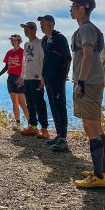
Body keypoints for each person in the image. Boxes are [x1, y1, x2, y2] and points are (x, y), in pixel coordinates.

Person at [69, 0, 105, 188]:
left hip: (89, 82)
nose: (71, 9)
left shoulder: (86, 29)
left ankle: (99, 177)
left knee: (90, 126)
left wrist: (81, 82)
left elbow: (87, 56)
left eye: (74, 6)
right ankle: (102, 170)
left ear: (83, 9)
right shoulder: (89, 29)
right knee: (96, 125)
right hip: (93, 81)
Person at [38, 14, 72, 152]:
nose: (41, 26)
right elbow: (45, 59)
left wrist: (64, 74)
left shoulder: (60, 38)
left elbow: (67, 57)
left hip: (58, 78)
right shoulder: (45, 39)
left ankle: (63, 138)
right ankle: (58, 134)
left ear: (51, 24)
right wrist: (42, 75)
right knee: (53, 106)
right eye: (40, 24)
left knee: (60, 107)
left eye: (43, 23)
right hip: (48, 77)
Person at [18, 22, 50, 139]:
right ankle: (33, 126)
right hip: (27, 78)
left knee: (39, 103)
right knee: (30, 103)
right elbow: (24, 61)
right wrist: (22, 76)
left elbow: (44, 60)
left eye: (27, 29)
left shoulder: (40, 43)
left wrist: (43, 76)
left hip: (37, 78)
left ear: (34, 30)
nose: (25, 31)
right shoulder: (26, 44)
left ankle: (44, 129)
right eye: (24, 29)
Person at [0, 34, 29, 131]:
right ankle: (18, 124)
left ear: (19, 41)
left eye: (15, 40)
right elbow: (6, 67)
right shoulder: (9, 53)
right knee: (15, 102)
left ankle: (31, 124)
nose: (13, 42)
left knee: (22, 102)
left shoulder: (23, 52)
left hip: (20, 78)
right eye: (12, 40)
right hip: (11, 78)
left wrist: (22, 77)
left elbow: (27, 66)